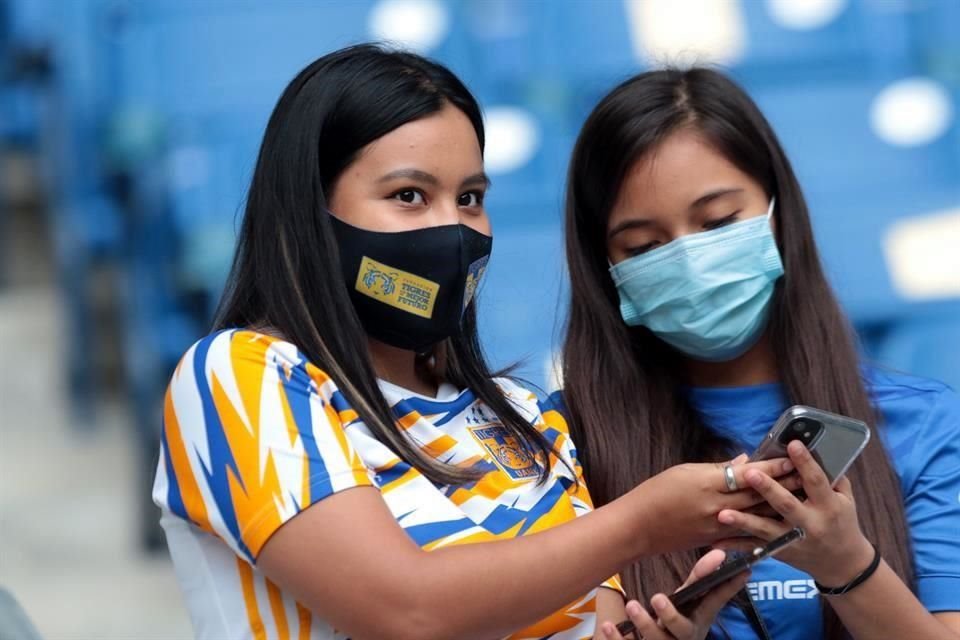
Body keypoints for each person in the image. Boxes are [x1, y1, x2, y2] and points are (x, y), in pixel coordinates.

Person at [151, 46, 789, 640]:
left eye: (470, 198)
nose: (451, 230)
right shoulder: (243, 376)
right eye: (408, 196)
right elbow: (407, 610)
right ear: (310, 213)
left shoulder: (525, 415)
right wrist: (639, 524)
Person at [558, 66, 960, 639]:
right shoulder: (559, 441)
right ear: (607, 269)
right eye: (645, 246)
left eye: (719, 222)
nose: (691, 262)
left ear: (779, 215)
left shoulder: (926, 423)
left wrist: (848, 567)